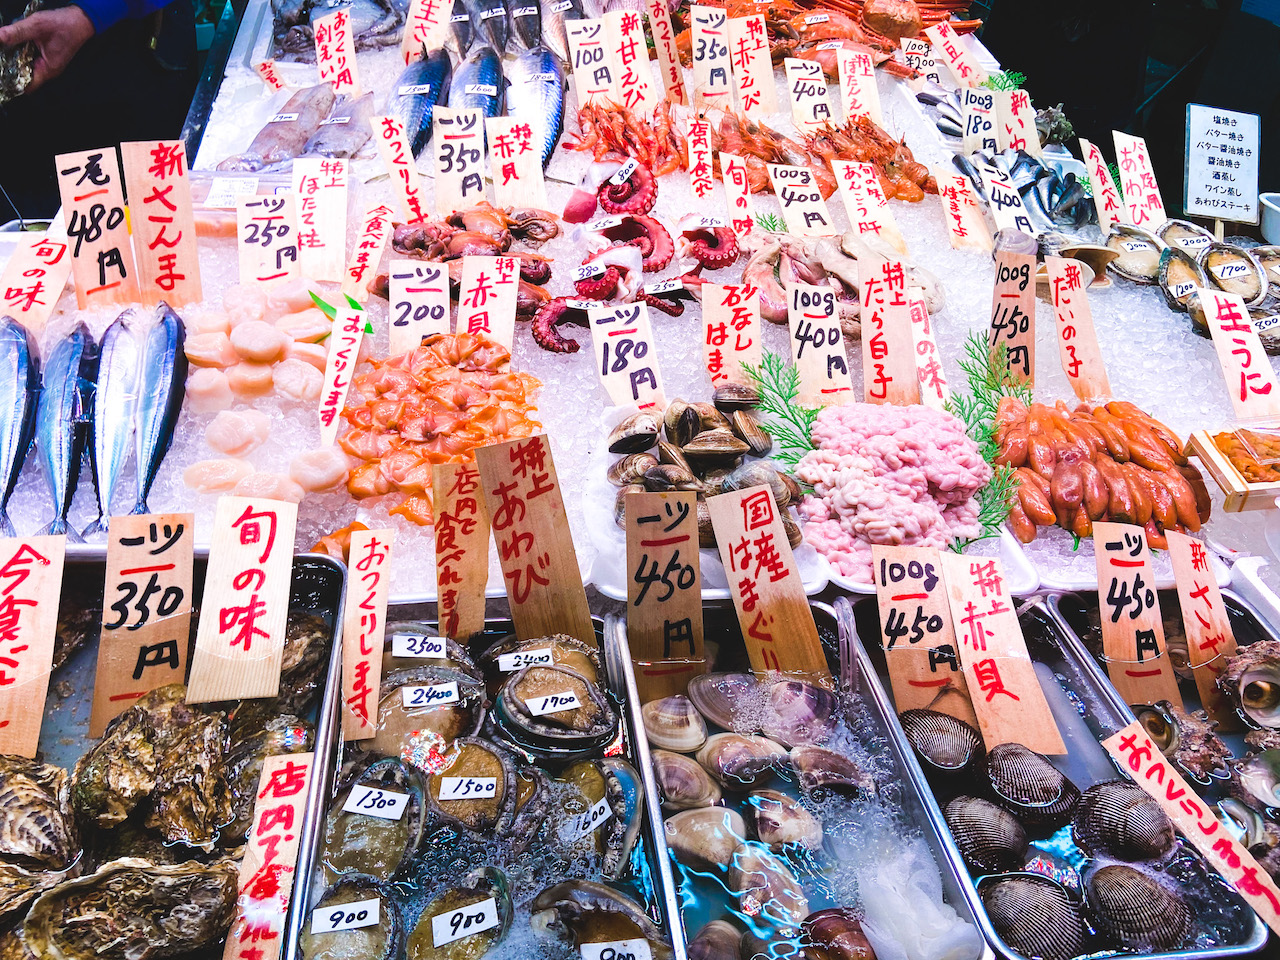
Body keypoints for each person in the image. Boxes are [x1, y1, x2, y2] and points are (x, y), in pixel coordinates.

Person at [0, 0, 198, 221]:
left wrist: (94, 13)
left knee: (150, 221)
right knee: (25, 235)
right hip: (17, 85)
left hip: (130, 53)